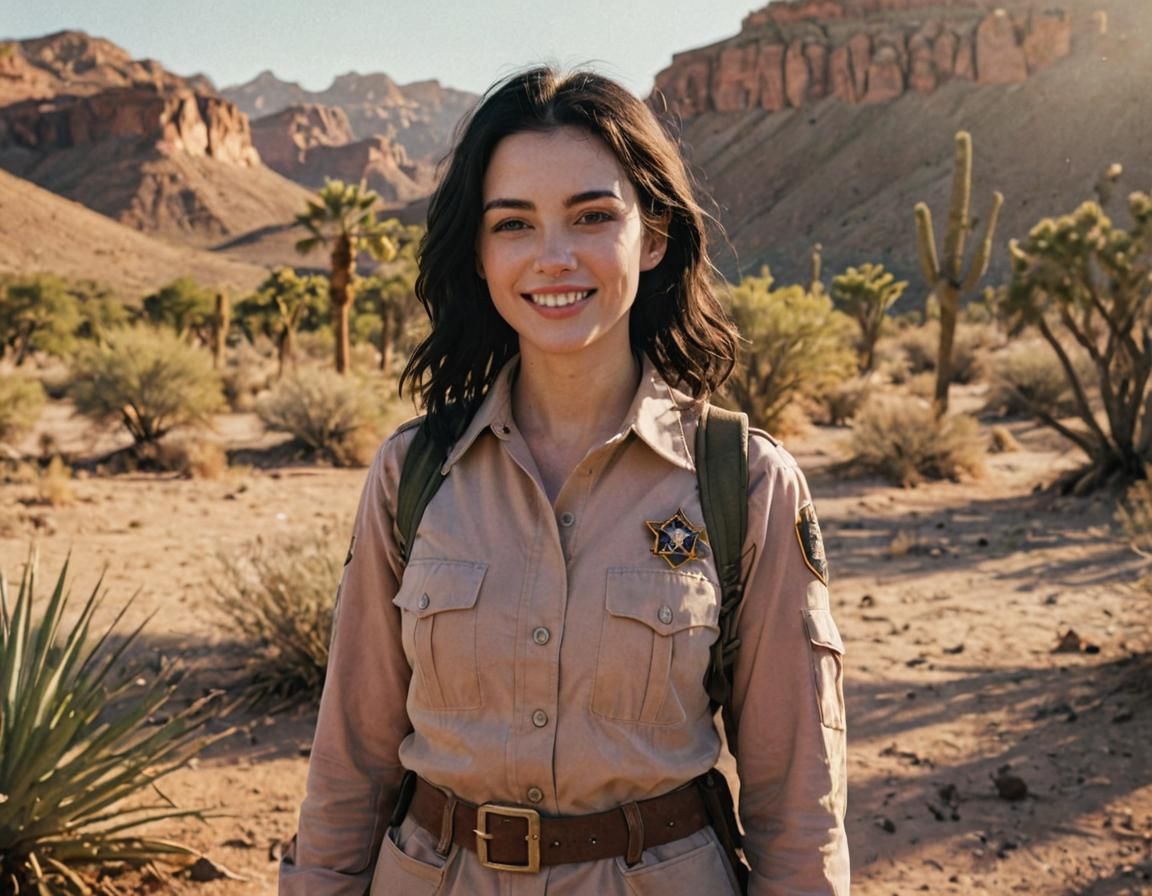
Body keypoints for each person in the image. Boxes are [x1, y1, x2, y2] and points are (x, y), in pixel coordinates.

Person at [279, 66, 848, 896]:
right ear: (478, 253)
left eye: (591, 216)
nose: (553, 257)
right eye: (513, 224)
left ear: (653, 236)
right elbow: (352, 756)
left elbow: (797, 795)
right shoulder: (414, 472)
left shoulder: (745, 481)